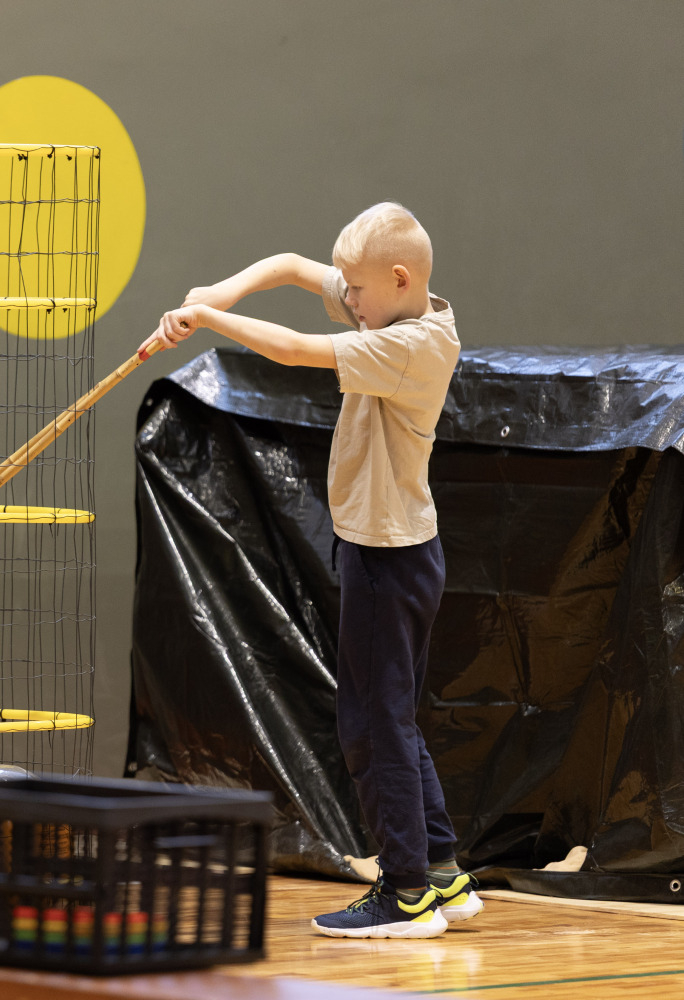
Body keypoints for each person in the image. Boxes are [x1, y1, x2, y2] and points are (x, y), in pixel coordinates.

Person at [139, 203, 481, 940]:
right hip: (395, 551)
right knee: (392, 715)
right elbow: (293, 268)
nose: (347, 299)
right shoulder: (394, 306)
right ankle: (440, 871)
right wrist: (221, 291)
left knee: (371, 724)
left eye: (356, 289)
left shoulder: (410, 344)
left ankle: (407, 894)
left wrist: (210, 321)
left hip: (389, 558)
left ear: (399, 279)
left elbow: (295, 350)